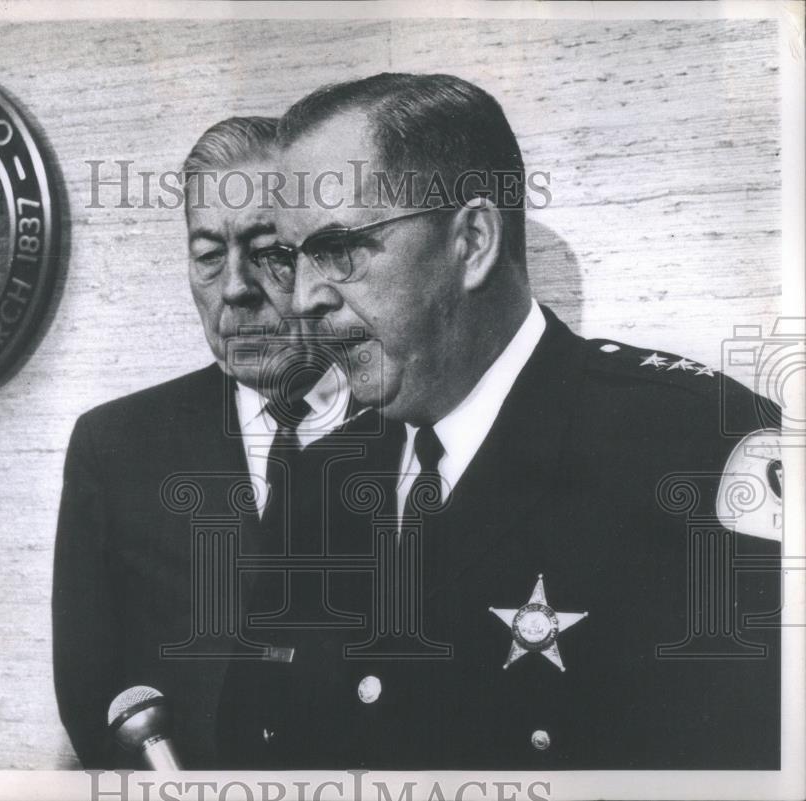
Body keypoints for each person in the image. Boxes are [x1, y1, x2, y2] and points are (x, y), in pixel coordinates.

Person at [217, 73, 782, 769]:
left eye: (338, 251)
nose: (302, 298)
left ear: (474, 239)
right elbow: (251, 747)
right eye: (289, 259)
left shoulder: (698, 451)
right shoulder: (313, 483)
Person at [52, 117, 378, 768]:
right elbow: (94, 702)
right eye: (208, 255)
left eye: (266, 250)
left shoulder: (410, 428)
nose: (234, 286)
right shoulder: (114, 447)